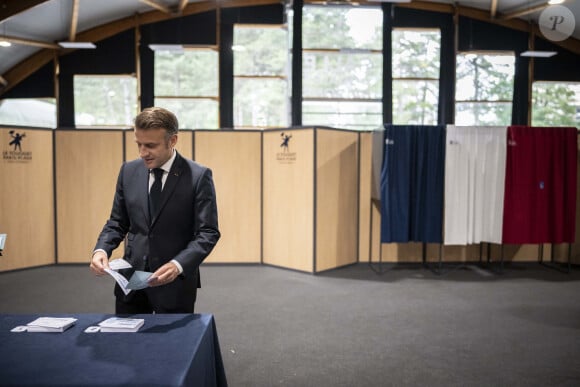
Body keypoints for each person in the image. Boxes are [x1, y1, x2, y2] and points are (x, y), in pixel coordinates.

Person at [90, 107, 220, 314]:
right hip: (130, 282)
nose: (142, 152)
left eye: (150, 145)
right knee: (127, 344)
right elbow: (117, 221)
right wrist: (101, 249)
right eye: (139, 144)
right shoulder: (128, 171)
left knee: (174, 346)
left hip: (174, 285)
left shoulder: (198, 176)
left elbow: (208, 233)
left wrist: (178, 265)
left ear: (173, 140)